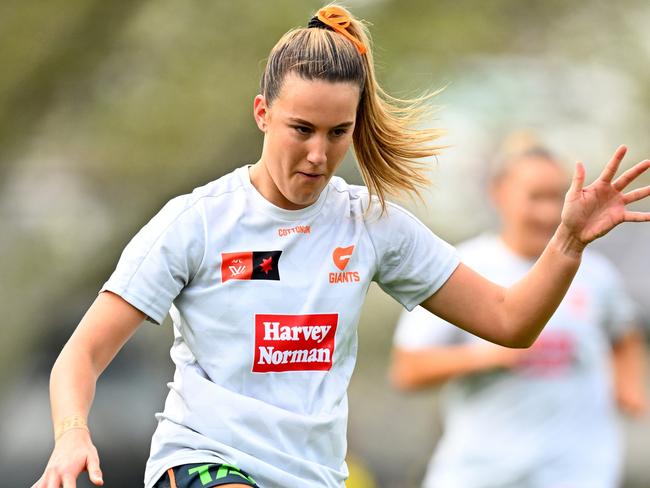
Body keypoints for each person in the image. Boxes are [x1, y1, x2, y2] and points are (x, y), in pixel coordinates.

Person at [32, 4, 650, 488]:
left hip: (314, 474)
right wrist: (70, 432)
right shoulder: (195, 222)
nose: (319, 154)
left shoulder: (370, 224)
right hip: (202, 462)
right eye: (301, 129)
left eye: (338, 133)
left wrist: (567, 242)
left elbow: (509, 320)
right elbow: (80, 354)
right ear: (262, 114)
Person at [391, 137, 648, 488]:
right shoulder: (460, 268)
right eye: (535, 197)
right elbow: (408, 369)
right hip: (481, 471)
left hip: (577, 470)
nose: (547, 212)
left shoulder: (596, 274)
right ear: (499, 193)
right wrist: (488, 355)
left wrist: (628, 387)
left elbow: (623, 332)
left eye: (556, 196)